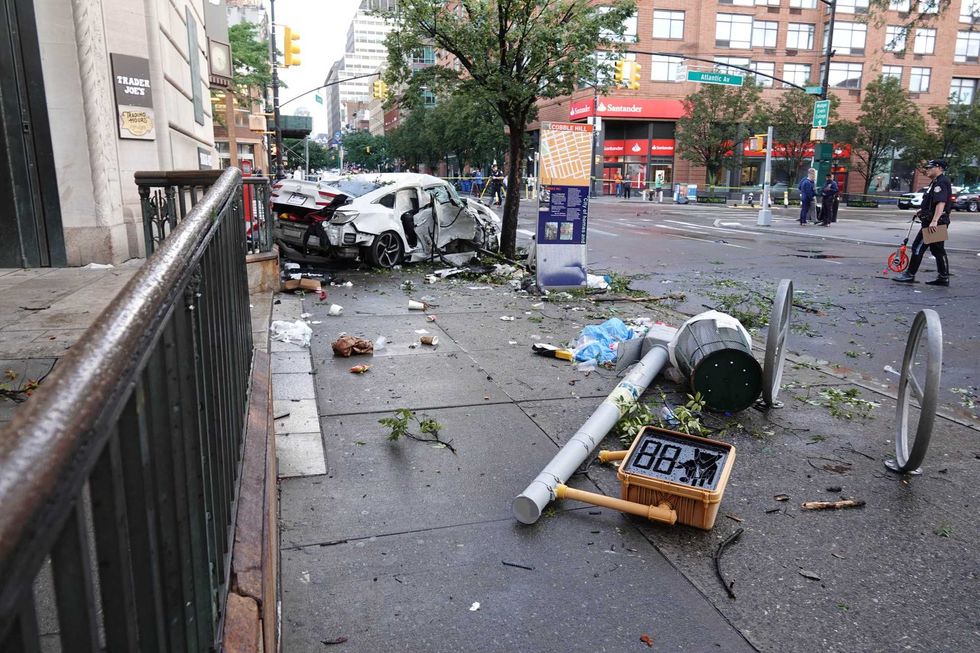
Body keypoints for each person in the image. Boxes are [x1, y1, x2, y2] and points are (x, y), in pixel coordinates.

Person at [893, 159, 952, 286]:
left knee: (918, 247)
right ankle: (943, 277)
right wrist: (922, 210)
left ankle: (910, 274)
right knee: (937, 250)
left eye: (931, 167)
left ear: (939, 168)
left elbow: (941, 202)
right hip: (937, 221)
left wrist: (934, 221)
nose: (927, 169)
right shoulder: (936, 182)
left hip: (934, 222)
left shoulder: (941, 182)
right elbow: (932, 202)